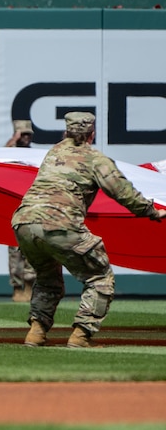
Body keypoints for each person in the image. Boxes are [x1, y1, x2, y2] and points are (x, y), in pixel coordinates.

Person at [12, 112, 166, 349]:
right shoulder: (95, 159)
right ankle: (81, 335)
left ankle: (36, 333)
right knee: (100, 278)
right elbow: (122, 192)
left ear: (66, 132)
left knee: (47, 278)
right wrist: (152, 212)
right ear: (92, 134)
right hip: (60, 223)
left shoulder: (53, 153)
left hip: (24, 223)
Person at [3, 118, 35, 302]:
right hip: (13, 208)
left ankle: (29, 287)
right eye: (22, 134)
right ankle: (17, 288)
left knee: (31, 249)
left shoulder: (34, 155)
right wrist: (11, 143)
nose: (26, 138)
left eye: (28, 134)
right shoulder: (9, 154)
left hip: (31, 209)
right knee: (14, 251)